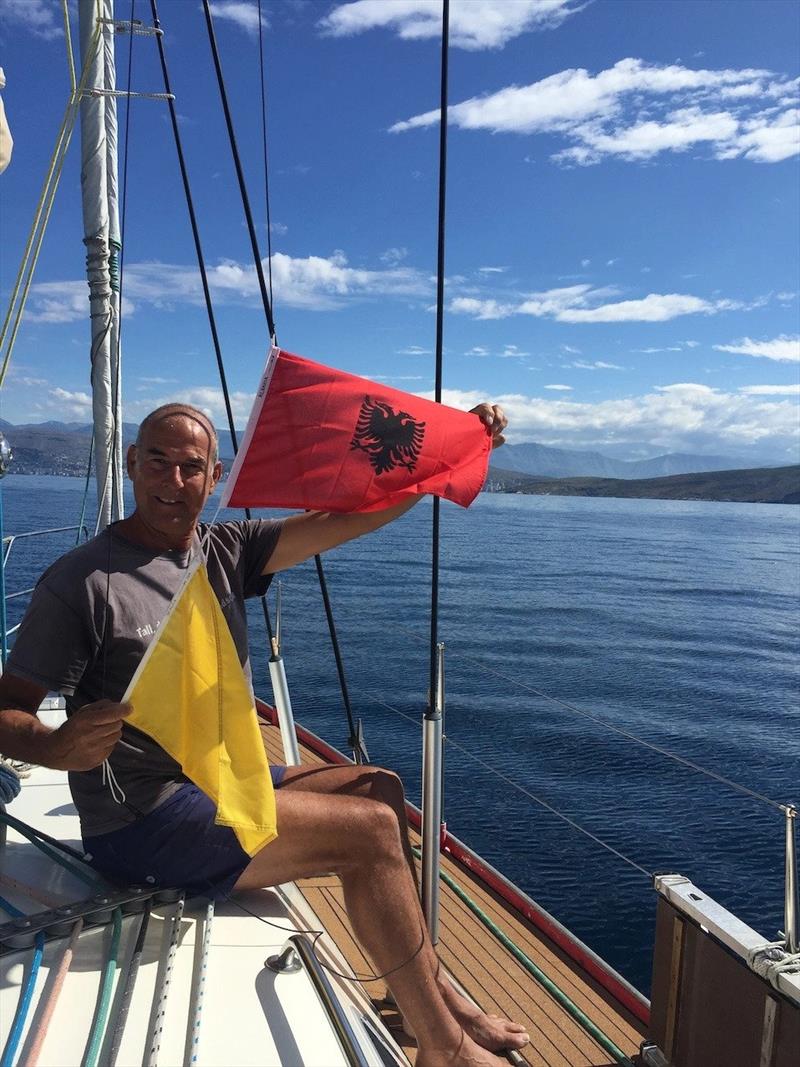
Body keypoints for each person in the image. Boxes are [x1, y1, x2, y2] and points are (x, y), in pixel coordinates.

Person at [0, 402, 529, 1067]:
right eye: (158, 459)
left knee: (379, 787)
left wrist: (439, 462)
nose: (174, 477)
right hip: (141, 820)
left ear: (214, 476)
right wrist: (53, 746)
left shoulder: (225, 548)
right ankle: (445, 1049)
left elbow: (342, 522)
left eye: (192, 465)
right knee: (367, 834)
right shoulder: (83, 580)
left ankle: (433, 987)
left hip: (220, 783)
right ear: (132, 464)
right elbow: (8, 709)